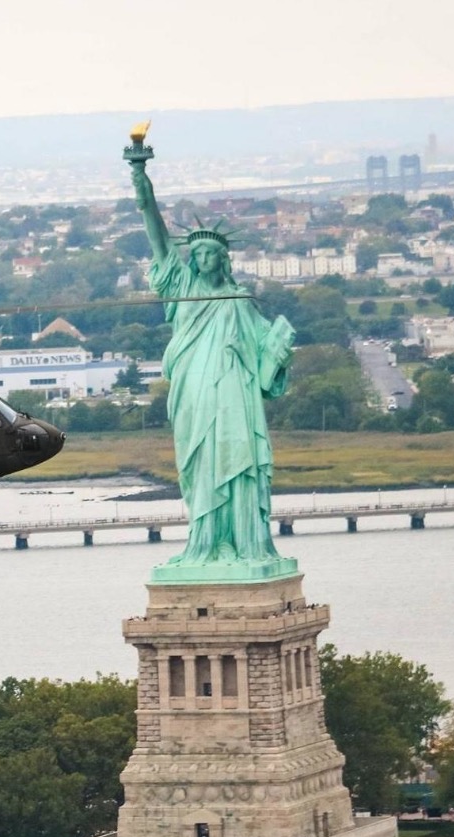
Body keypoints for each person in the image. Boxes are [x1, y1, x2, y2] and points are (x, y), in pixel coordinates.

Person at [128, 136, 296, 571]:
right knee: (200, 460)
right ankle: (205, 543)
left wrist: (277, 352)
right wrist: (140, 177)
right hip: (194, 387)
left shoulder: (240, 300)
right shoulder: (182, 288)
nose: (201, 259)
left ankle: (245, 545)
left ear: (222, 259)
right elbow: (157, 235)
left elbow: (266, 363)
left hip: (235, 393)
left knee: (239, 459)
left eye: (209, 254)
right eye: (196, 253)